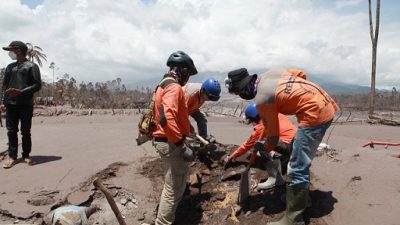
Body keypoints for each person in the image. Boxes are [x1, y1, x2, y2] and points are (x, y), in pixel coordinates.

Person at [225, 68, 338, 225]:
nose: (240, 96)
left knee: (296, 167)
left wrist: (263, 150)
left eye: (238, 93)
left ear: (243, 89)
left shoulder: (262, 101)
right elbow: (301, 74)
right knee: (298, 158)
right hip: (324, 101)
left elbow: (272, 139)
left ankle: (294, 219)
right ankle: (300, 199)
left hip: (314, 115)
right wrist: (295, 97)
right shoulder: (271, 73)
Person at [152, 51, 197, 225]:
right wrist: (182, 146)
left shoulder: (163, 84)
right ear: (182, 70)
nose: (187, 78)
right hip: (171, 143)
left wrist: (187, 127)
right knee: (173, 188)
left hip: (166, 141)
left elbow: (168, 115)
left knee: (173, 185)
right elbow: (166, 117)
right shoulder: (174, 87)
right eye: (187, 73)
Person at [223, 103, 297, 190]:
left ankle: (275, 177)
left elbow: (247, 145)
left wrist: (232, 156)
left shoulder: (261, 127)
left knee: (261, 145)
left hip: (289, 145)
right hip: (298, 142)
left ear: (255, 117)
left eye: (251, 120)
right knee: (271, 139)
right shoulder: (275, 113)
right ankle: (287, 158)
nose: (252, 123)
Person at [1, 41, 42, 169]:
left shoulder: (32, 66)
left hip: (25, 104)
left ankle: (26, 155)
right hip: (11, 105)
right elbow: (4, 86)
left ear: (18, 50)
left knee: (25, 131)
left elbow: (37, 85)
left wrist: (21, 92)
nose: (10, 53)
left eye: (12, 50)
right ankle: (12, 156)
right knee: (11, 131)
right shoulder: (9, 67)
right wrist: (2, 102)